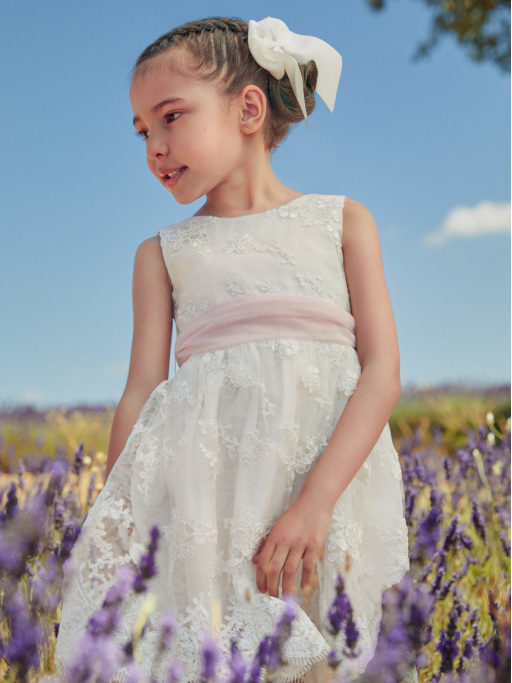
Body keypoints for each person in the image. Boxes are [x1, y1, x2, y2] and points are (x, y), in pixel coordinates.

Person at [54, 16, 412, 683]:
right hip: (206, 507)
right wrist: (120, 525)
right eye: (141, 132)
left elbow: (382, 371)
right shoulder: (161, 253)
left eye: (170, 117)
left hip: (323, 488)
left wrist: (317, 500)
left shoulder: (343, 222)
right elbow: (141, 390)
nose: (155, 147)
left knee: (326, 660)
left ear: (248, 108)